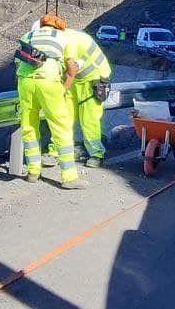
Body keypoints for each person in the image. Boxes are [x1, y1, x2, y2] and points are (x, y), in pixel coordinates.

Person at [15, 14, 85, 188]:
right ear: (59, 27)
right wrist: (64, 87)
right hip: (48, 83)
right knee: (61, 127)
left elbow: (17, 63)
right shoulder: (64, 37)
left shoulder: (28, 36)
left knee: (29, 126)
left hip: (25, 82)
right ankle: (69, 178)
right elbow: (71, 67)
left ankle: (33, 171)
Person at [62, 25, 112, 167]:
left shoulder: (68, 41)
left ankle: (96, 154)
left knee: (89, 120)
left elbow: (71, 69)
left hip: (93, 79)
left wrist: (61, 89)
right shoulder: (61, 37)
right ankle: (61, 151)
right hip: (77, 80)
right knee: (65, 116)